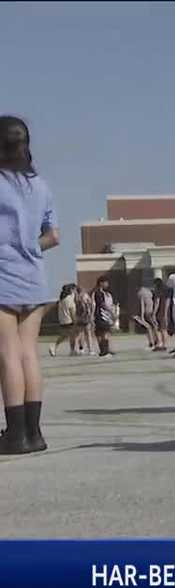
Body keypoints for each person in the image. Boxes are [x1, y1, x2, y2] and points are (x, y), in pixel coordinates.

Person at [0, 115, 60, 454]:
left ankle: (15, 434)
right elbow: (54, 236)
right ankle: (34, 434)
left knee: (7, 354)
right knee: (28, 354)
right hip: (34, 277)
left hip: (3, 275)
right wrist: (28, 246)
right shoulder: (41, 185)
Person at [50, 284, 78, 357]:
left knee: (64, 335)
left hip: (63, 320)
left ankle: (55, 347)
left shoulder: (62, 300)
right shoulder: (69, 299)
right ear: (71, 290)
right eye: (74, 290)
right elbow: (72, 311)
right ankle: (72, 350)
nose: (75, 291)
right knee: (71, 336)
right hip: (69, 320)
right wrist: (75, 320)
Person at [92, 276, 116, 359]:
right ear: (101, 283)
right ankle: (104, 351)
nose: (107, 284)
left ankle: (104, 351)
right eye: (106, 282)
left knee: (101, 333)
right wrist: (111, 312)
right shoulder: (98, 292)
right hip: (101, 315)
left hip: (102, 315)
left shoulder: (100, 292)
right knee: (104, 332)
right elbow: (102, 304)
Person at [133, 278, 159, 351]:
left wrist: (141, 316)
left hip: (146, 312)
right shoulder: (148, 291)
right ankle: (156, 341)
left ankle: (151, 343)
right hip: (151, 310)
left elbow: (142, 305)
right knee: (154, 327)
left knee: (148, 328)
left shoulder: (140, 293)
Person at [76, 283, 96, 356]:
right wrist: (90, 315)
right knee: (88, 333)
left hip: (79, 317)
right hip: (86, 317)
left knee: (80, 333)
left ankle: (81, 349)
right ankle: (90, 349)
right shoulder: (85, 296)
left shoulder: (77, 297)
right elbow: (90, 306)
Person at [153, 277, 171, 353]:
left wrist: (154, 312)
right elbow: (168, 302)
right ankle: (164, 344)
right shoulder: (167, 291)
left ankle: (160, 343)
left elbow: (157, 302)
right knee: (164, 329)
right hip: (165, 311)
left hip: (159, 311)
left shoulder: (158, 291)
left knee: (157, 328)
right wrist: (166, 312)